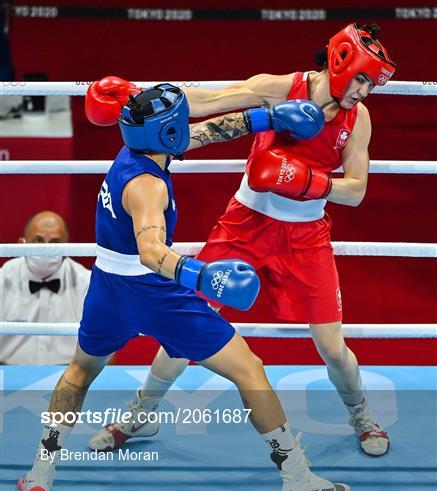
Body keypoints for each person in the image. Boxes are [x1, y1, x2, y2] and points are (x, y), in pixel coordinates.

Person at [18, 80, 349, 491]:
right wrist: (201, 276)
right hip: (154, 290)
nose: (188, 122)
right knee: (248, 369)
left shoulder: (138, 151)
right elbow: (152, 251)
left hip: (107, 287)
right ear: (166, 133)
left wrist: (268, 118)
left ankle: (40, 472)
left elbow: (207, 131)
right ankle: (298, 478)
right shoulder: (149, 187)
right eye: (179, 120)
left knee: (81, 371)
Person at [90, 23, 394, 457]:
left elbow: (357, 189)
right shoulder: (280, 88)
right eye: (363, 78)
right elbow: (210, 101)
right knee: (187, 324)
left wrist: (304, 180)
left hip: (307, 234)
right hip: (245, 224)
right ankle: (141, 413)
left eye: (371, 83)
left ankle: (361, 414)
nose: (365, 91)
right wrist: (139, 97)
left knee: (331, 344)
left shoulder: (357, 119)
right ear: (341, 63)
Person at [0, 211, 90, 364]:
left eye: (55, 243)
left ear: (68, 248)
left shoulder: (87, 283)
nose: (46, 249)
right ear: (21, 244)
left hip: (72, 376)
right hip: (6, 375)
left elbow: (106, 349)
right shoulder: (3, 279)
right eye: (38, 241)